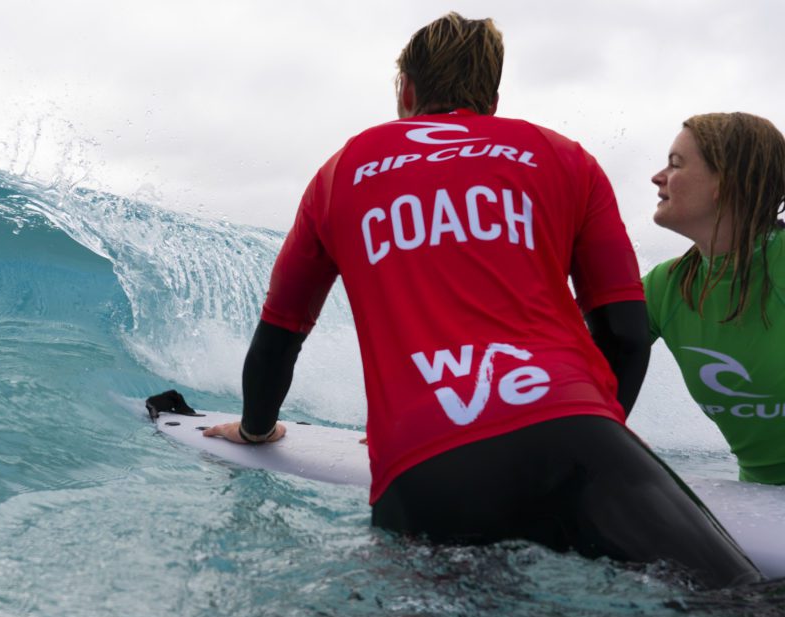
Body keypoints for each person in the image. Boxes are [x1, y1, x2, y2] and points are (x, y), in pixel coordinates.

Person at [203, 13, 760, 588]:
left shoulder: (338, 173)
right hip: (575, 433)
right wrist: (605, 430)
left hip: (426, 461)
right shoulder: (563, 156)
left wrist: (255, 429)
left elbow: (279, 336)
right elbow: (624, 332)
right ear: (493, 97)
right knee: (738, 605)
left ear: (407, 90)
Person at [645, 112, 785, 485]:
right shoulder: (666, 287)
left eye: (675, 164)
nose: (658, 178)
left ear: (726, 181)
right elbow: (571, 357)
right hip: (762, 510)